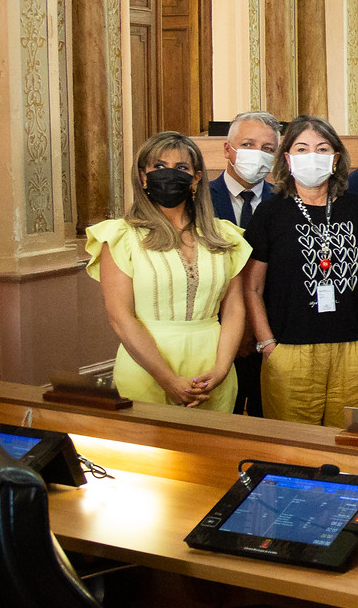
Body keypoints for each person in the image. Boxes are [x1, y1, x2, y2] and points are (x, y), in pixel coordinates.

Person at [87, 132, 250, 411]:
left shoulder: (225, 236)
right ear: (143, 177)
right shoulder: (120, 236)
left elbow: (234, 308)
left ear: (196, 178)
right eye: (159, 167)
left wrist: (222, 369)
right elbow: (120, 318)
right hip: (147, 368)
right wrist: (169, 380)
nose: (170, 175)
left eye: (182, 168)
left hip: (212, 367)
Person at [244, 116, 358, 428]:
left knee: (352, 445)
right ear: (287, 159)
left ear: (335, 158)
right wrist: (267, 345)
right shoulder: (270, 212)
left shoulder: (357, 208)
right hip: (290, 351)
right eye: (302, 149)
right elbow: (251, 288)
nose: (312, 156)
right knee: (294, 450)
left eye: (321, 148)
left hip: (355, 348)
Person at [210, 109, 279, 415]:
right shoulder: (199, 200)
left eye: (267, 149)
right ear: (228, 149)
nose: (257, 155)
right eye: (248, 145)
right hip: (216, 339)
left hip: (274, 341)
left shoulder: (286, 204)